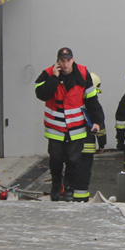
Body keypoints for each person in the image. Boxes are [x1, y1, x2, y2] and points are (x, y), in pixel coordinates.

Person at [34, 47, 103, 201]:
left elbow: (92, 100)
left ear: (73, 59)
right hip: (55, 127)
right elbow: (41, 94)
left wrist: (97, 121)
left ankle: (69, 189)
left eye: (68, 60)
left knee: (73, 161)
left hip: (76, 127)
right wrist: (54, 78)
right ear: (58, 62)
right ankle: (56, 187)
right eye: (62, 61)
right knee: (56, 160)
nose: (65, 64)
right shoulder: (48, 73)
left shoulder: (83, 74)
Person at [73, 72, 107, 202]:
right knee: (84, 172)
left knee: (73, 170)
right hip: (87, 146)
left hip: (73, 146)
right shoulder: (94, 108)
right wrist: (102, 143)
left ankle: (70, 194)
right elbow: (101, 128)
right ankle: (81, 197)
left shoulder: (75, 105)